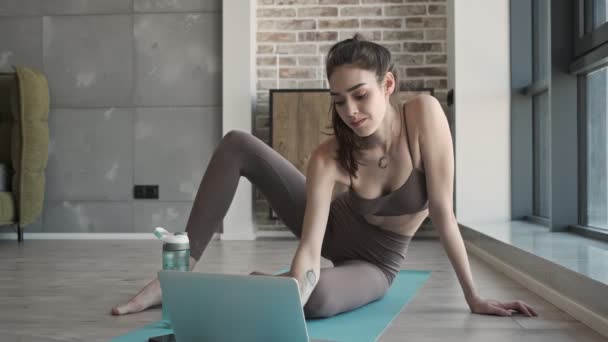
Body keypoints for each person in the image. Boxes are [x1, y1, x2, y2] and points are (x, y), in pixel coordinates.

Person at [112, 34, 538, 318]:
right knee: (238, 143)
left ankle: (261, 291)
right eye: (339, 101)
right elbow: (311, 247)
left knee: (315, 301)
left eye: (361, 95)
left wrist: (474, 297)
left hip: (374, 262)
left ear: (387, 84)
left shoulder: (423, 115)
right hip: (334, 228)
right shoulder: (329, 156)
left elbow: (443, 213)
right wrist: (298, 279)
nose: (350, 111)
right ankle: (176, 278)